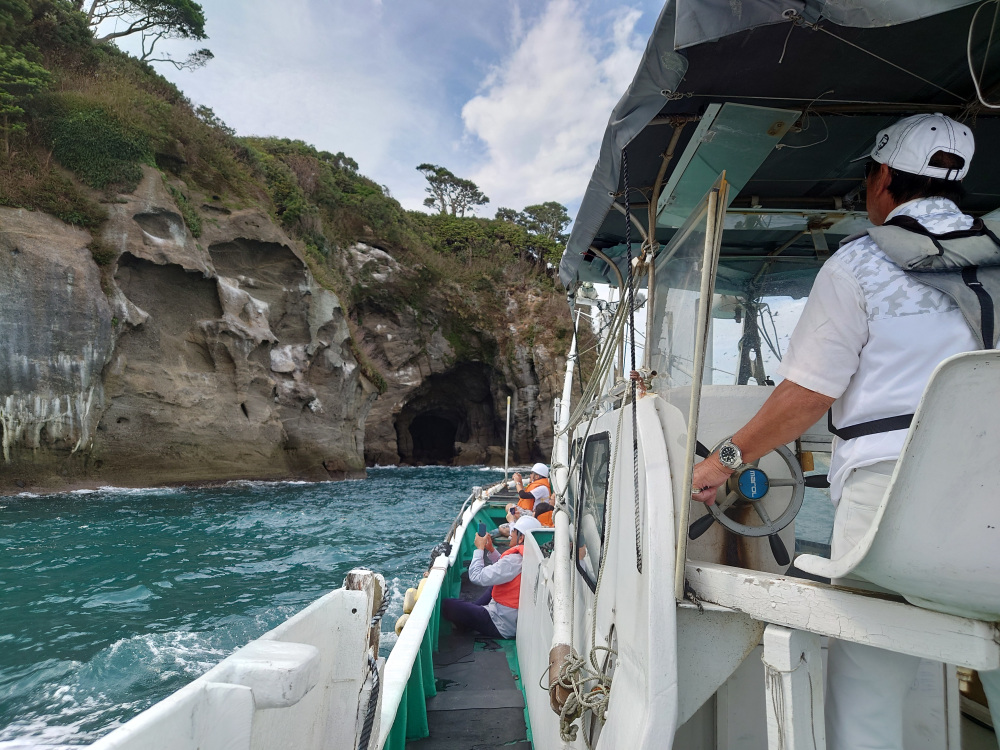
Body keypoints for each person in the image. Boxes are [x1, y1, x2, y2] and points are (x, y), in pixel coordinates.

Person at [690, 113, 1000, 750]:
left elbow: (806, 397)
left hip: (897, 497)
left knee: (870, 678)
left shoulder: (859, 264)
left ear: (882, 177)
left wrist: (719, 463)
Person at [441, 515, 543, 639]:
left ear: (521, 538)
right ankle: (471, 615)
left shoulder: (514, 560)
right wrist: (491, 550)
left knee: (448, 604)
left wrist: (479, 549)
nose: (510, 534)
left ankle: (468, 620)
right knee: (494, 585)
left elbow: (476, 576)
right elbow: (506, 570)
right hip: (511, 619)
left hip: (500, 624)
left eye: (513, 532)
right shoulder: (529, 556)